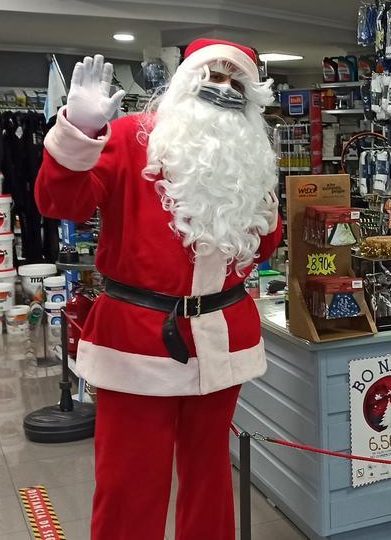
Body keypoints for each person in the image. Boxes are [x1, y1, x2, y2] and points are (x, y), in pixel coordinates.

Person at [36, 40, 282, 539]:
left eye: (236, 81)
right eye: (211, 76)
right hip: (139, 338)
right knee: (131, 481)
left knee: (211, 473)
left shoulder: (251, 157)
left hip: (220, 337)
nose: (223, 89)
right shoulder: (129, 137)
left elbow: (264, 243)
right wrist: (79, 134)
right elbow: (61, 203)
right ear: (184, 82)